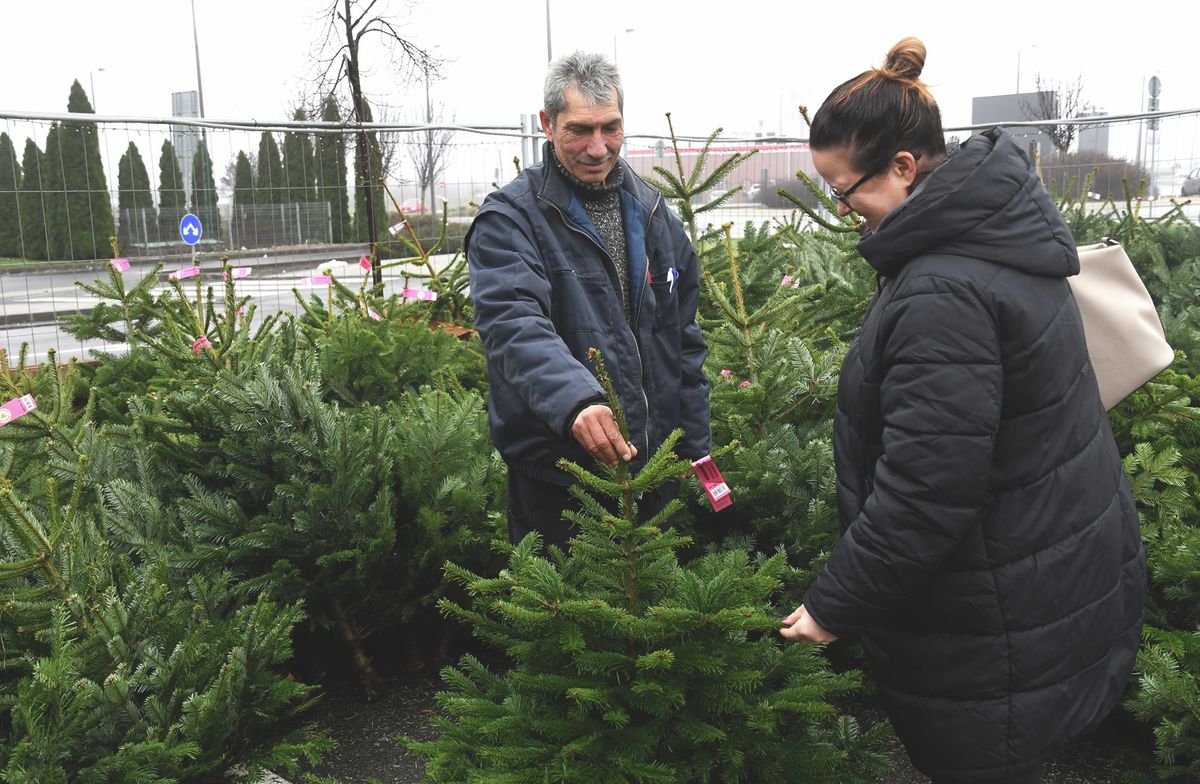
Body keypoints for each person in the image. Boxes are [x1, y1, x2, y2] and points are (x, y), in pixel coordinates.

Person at [778, 37, 1145, 784]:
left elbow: (926, 489)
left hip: (992, 610)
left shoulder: (942, 290)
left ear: (905, 168)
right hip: (1041, 576)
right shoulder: (997, 240)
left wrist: (832, 606)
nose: (845, 212)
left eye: (846, 191)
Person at [465, 51, 711, 551]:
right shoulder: (512, 220)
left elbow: (684, 343)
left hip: (654, 474)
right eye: (580, 130)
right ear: (547, 124)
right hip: (560, 483)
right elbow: (513, 322)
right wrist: (576, 400)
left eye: (611, 128)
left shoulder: (654, 214)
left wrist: (698, 455)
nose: (598, 148)